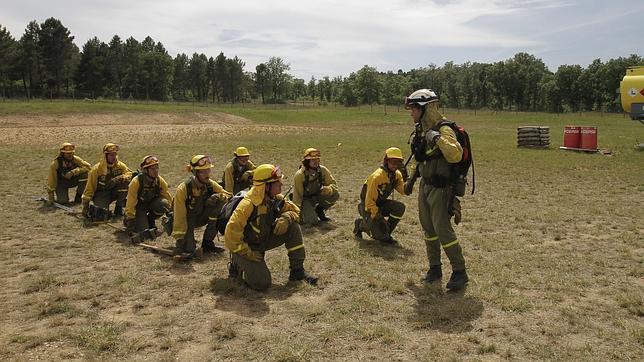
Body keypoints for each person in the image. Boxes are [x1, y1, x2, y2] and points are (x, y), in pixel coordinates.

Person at [404, 88, 468, 291]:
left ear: (426, 108)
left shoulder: (443, 129)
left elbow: (455, 155)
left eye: (414, 108)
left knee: (442, 229)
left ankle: (460, 271)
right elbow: (420, 157)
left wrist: (437, 138)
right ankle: (434, 268)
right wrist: (412, 180)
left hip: (441, 188)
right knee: (428, 229)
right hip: (426, 186)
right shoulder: (422, 130)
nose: (411, 112)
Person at [225, 163, 318, 291]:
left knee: (293, 227)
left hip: (263, 238)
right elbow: (230, 236)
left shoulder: (275, 198)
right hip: (246, 248)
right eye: (277, 182)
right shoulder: (247, 205)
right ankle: (237, 267)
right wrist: (248, 253)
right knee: (262, 284)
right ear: (266, 186)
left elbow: (296, 212)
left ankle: (297, 272)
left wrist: (287, 217)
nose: (281, 184)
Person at [172, 155, 231, 255]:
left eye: (208, 170)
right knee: (189, 250)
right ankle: (187, 243)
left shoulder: (210, 184)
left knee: (220, 202)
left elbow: (229, 195)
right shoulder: (183, 189)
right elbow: (179, 216)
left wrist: (219, 196)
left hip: (201, 216)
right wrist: (179, 239)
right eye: (203, 172)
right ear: (195, 172)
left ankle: (207, 243)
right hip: (187, 221)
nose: (207, 174)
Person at [353, 147, 406, 244]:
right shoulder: (377, 177)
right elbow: (369, 202)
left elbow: (404, 191)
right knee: (377, 236)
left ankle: (385, 234)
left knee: (399, 207)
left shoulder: (397, 175)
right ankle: (360, 224)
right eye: (393, 162)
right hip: (367, 207)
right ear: (386, 161)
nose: (395, 165)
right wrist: (379, 218)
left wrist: (409, 181)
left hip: (380, 204)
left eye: (398, 163)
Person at [123, 155, 173, 235]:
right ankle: (129, 220)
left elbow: (167, 196)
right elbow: (130, 202)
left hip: (150, 204)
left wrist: (172, 212)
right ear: (145, 170)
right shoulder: (136, 182)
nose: (156, 171)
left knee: (164, 203)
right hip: (138, 208)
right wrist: (130, 218)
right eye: (152, 169)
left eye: (157, 168)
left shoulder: (159, 180)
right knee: (144, 231)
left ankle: (150, 220)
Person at [81, 143, 133, 220]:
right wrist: (85, 204)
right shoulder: (96, 169)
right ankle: (100, 208)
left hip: (114, 191)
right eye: (111, 155)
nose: (113, 157)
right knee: (101, 216)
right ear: (106, 156)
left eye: (115, 154)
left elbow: (130, 173)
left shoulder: (120, 165)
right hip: (101, 194)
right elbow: (90, 187)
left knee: (125, 182)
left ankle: (119, 208)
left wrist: (121, 177)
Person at [291, 148, 340, 226]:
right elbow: (297, 197)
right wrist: (297, 215)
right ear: (307, 161)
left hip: (317, 195)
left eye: (317, 159)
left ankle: (319, 210)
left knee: (335, 195)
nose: (316, 162)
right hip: (305, 199)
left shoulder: (323, 170)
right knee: (312, 221)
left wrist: (329, 189)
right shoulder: (300, 175)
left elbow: (334, 185)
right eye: (313, 160)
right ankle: (307, 212)